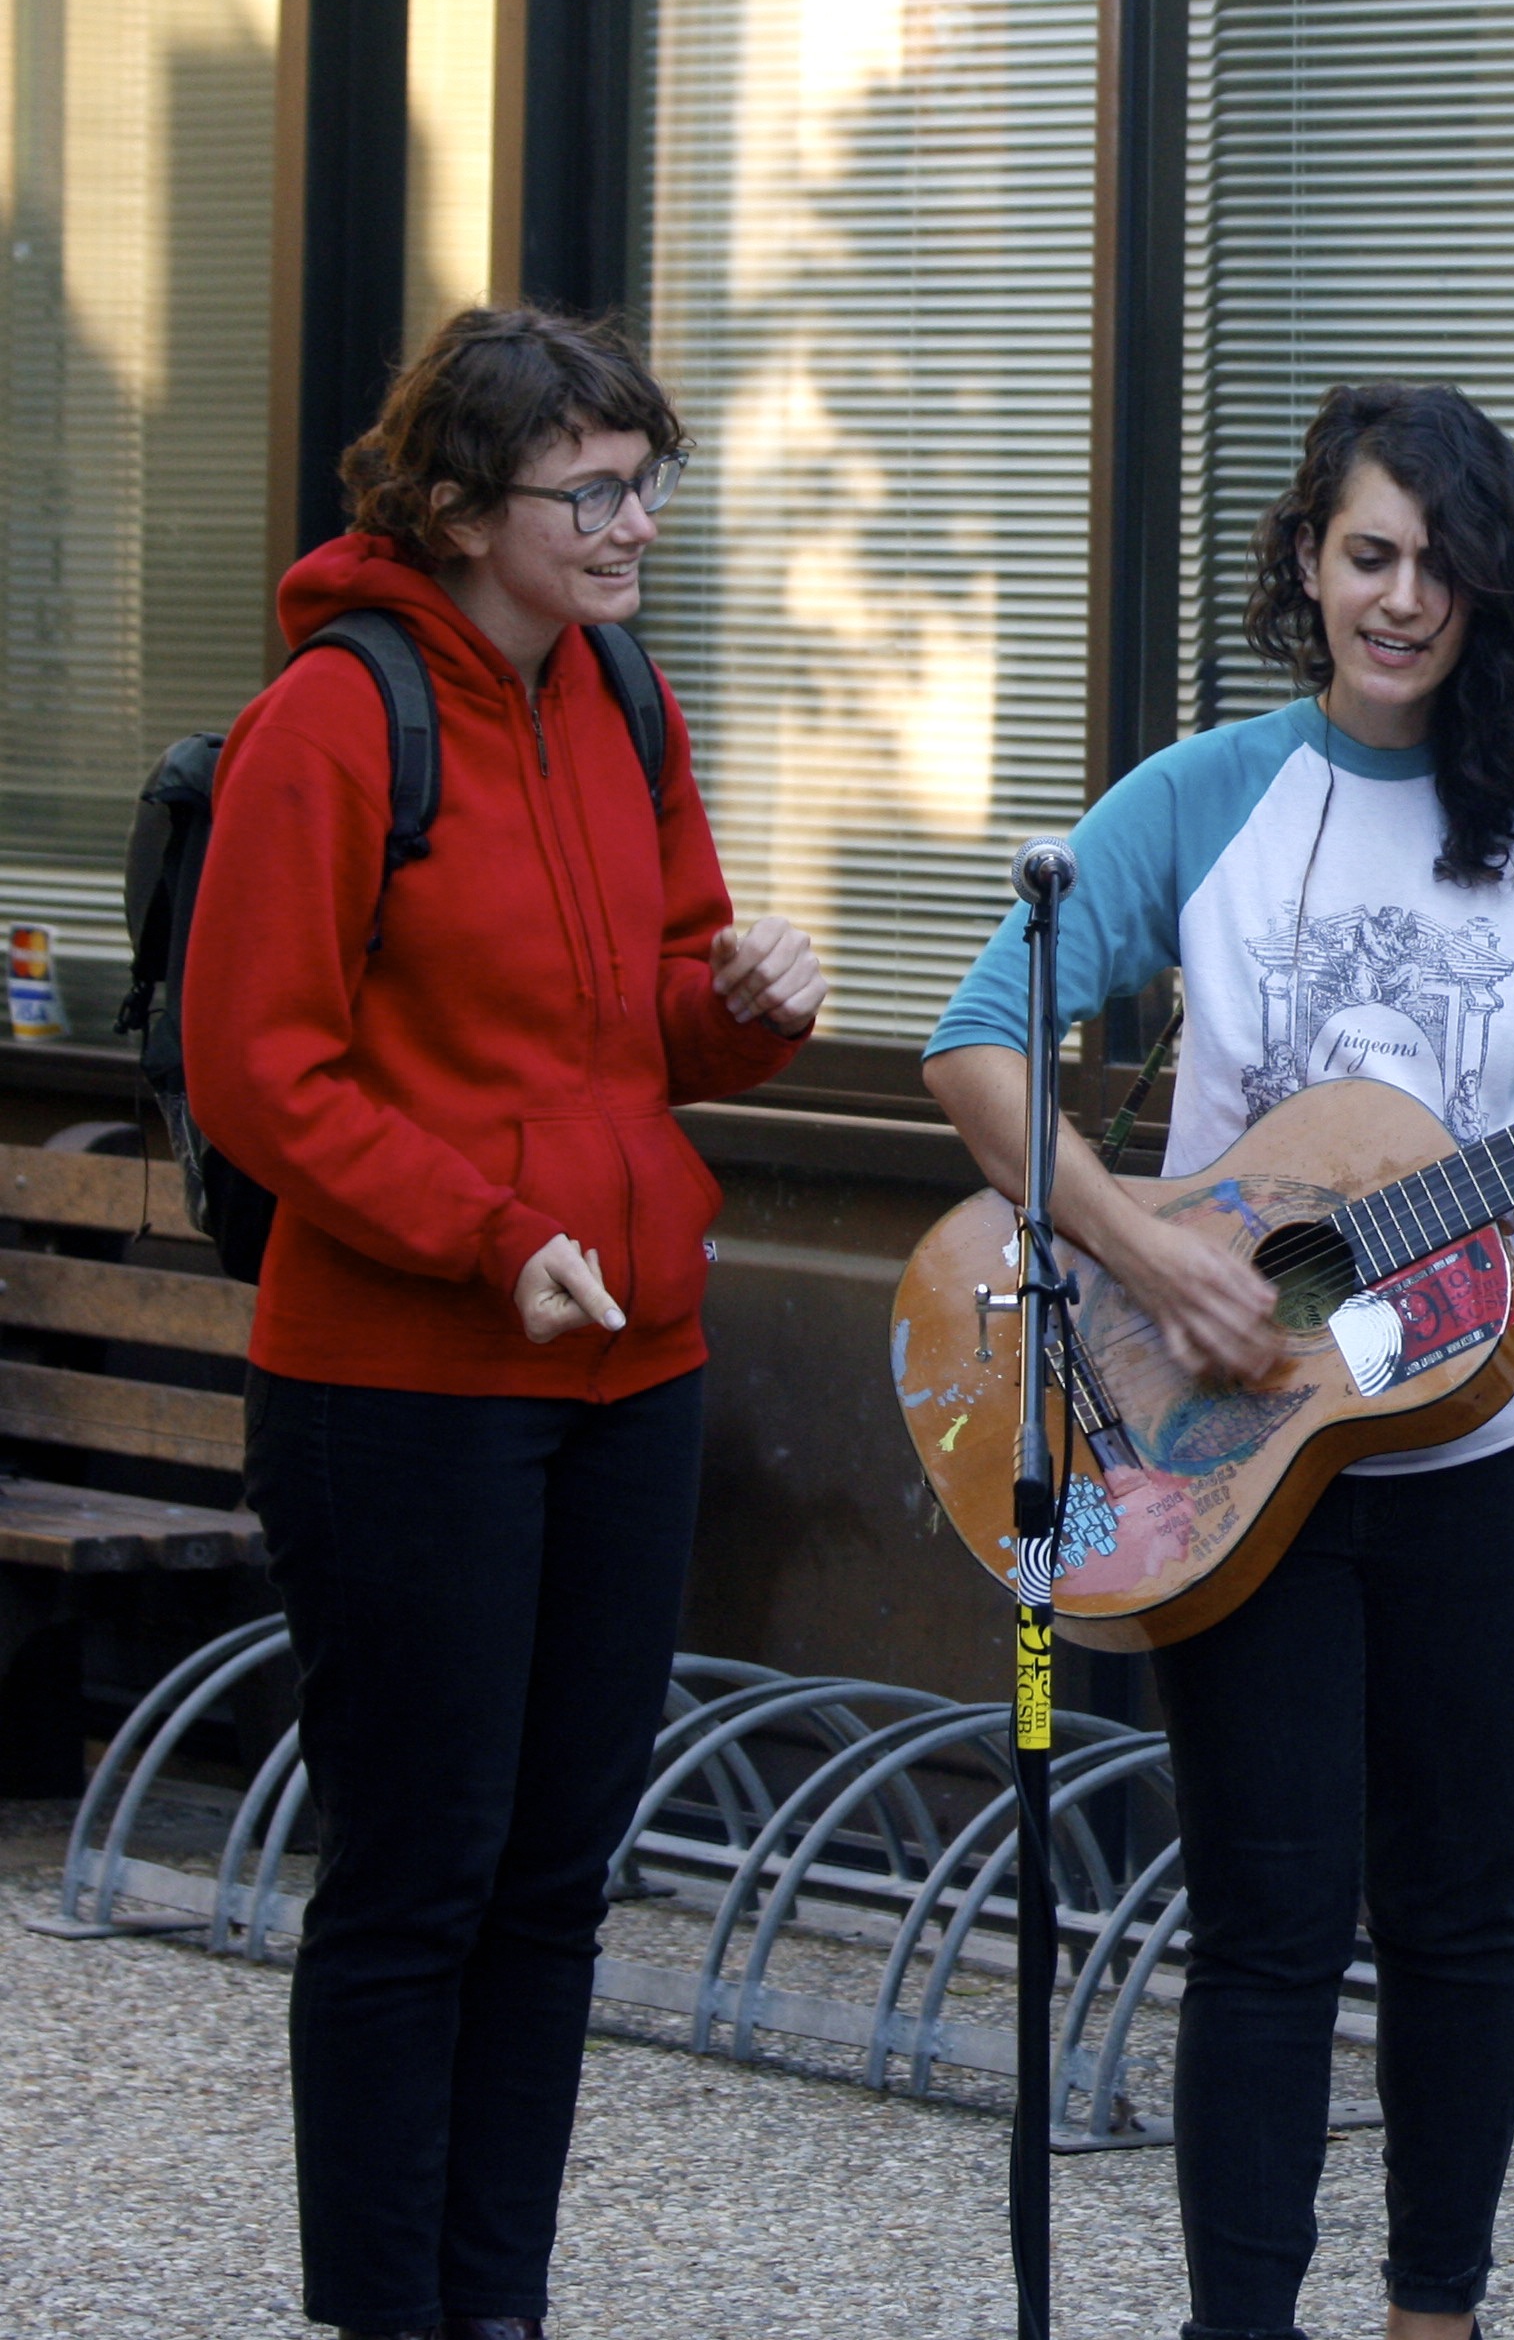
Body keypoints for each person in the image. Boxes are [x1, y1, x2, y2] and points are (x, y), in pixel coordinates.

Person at [923, 381, 1514, 2340]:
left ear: (1491, 587)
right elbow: (975, 1043)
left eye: (1444, 563)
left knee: (1452, 1913)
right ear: (1307, 561)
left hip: (1497, 1444)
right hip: (1228, 1438)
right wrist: (1146, 1256)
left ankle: (1438, 2317)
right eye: (1369, 554)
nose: (1404, 598)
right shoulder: (1208, 794)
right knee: (1265, 1924)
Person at [184, 307, 827, 2340]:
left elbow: (647, 1018)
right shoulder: (335, 721)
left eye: (650, 483)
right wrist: (484, 1235)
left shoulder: (625, 696)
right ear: (463, 510)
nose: (638, 525)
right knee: (418, 1880)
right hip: (403, 1390)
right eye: (595, 491)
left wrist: (745, 1005)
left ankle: (497, 2308)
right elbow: (258, 1068)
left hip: (630, 1368)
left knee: (556, 1883)